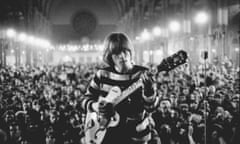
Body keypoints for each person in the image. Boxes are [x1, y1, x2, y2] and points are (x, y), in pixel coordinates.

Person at [79, 32, 158, 144]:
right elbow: (84, 100)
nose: (122, 56)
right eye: (116, 53)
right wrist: (96, 106)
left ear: (130, 52)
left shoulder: (143, 74)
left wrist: (149, 91)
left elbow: (151, 108)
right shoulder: (102, 75)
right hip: (107, 135)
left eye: (125, 51)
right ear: (109, 56)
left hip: (136, 136)